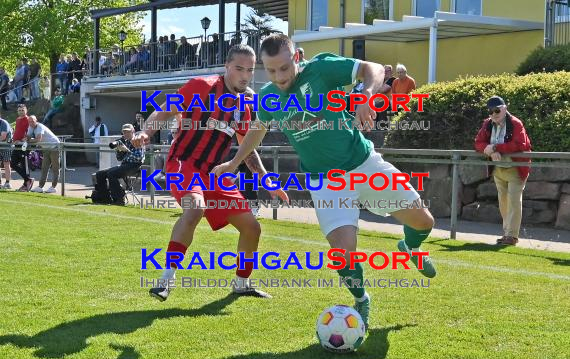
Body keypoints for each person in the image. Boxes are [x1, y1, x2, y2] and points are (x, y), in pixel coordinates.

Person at [211, 34, 436, 329]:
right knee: (343, 252)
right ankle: (361, 299)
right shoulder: (267, 96)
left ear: (298, 58)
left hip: (363, 164)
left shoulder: (323, 68)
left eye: (284, 68)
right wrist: (234, 162)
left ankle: (410, 248)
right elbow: (258, 128)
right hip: (326, 181)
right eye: (270, 70)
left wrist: (366, 95)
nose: (279, 77)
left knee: (424, 222)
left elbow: (375, 68)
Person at [132, 44, 288, 302]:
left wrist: (267, 180)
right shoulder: (202, 86)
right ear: (227, 67)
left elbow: (247, 149)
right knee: (195, 209)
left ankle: (242, 284)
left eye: (249, 70)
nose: (244, 75)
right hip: (185, 163)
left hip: (216, 173)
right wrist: (146, 132)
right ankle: (165, 281)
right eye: (239, 68)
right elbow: (166, 109)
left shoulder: (245, 106)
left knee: (252, 228)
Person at [475, 96, 532, 246]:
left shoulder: (515, 123)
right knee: (503, 202)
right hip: (498, 169)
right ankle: (507, 233)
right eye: (491, 111)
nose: (494, 114)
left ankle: (512, 236)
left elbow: (520, 145)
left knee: (514, 200)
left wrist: (495, 147)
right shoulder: (487, 124)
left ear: (504, 108)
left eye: (497, 110)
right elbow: (478, 142)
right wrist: (489, 151)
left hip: (515, 169)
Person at [94, 124, 144, 205]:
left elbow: (138, 157)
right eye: (124, 132)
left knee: (112, 173)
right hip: (125, 165)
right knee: (100, 174)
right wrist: (119, 150)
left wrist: (126, 150)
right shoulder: (125, 141)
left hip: (134, 166)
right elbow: (119, 159)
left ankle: (119, 200)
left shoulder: (137, 140)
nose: (126, 134)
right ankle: (105, 199)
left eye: (128, 132)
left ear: (133, 131)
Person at [27, 116, 61, 194]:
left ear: (36, 121)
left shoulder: (40, 126)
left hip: (54, 147)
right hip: (45, 148)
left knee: (55, 168)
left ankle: (53, 187)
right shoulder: (30, 126)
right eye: (29, 122)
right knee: (44, 167)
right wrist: (28, 139)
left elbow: (38, 139)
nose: (31, 123)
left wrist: (29, 140)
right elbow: (28, 137)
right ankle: (40, 187)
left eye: (32, 121)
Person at [11, 103, 34, 191]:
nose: (21, 112)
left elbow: (29, 133)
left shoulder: (28, 119)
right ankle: (28, 180)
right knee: (12, 163)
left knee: (25, 166)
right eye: (19, 110)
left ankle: (26, 184)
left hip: (23, 146)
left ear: (26, 110)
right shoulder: (17, 119)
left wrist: (20, 141)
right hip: (16, 145)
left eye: (22, 110)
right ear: (17, 111)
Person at [0, 111, 13, 189]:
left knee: (6, 164)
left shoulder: (4, 123)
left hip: (6, 146)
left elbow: (3, 137)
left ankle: (7, 183)